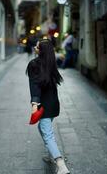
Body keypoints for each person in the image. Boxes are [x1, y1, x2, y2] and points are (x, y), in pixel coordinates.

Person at [26, 39, 70, 174]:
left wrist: (35, 104)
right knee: (43, 128)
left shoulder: (34, 64)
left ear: (41, 50)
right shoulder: (51, 63)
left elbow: (35, 86)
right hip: (53, 104)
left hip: (44, 106)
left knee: (47, 133)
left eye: (37, 46)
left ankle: (60, 164)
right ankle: (52, 155)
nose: (35, 47)